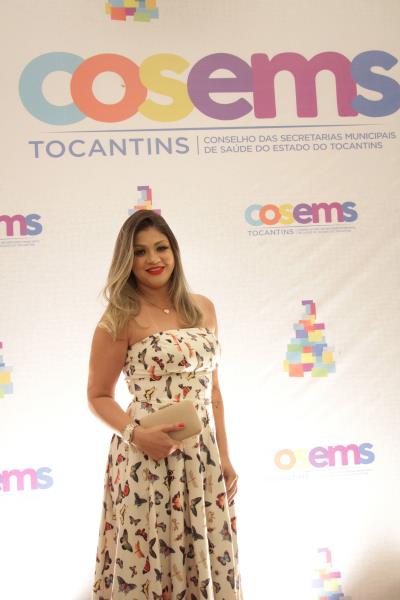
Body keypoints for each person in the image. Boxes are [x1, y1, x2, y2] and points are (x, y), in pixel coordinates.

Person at [88, 209, 242, 599]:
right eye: (140, 252)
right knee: (147, 558)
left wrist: (224, 457)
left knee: (202, 557)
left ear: (175, 251)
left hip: (202, 457)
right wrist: (136, 435)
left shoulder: (203, 308)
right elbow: (98, 395)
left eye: (161, 248)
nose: (153, 259)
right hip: (147, 456)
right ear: (127, 260)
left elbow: (214, 392)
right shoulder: (120, 317)